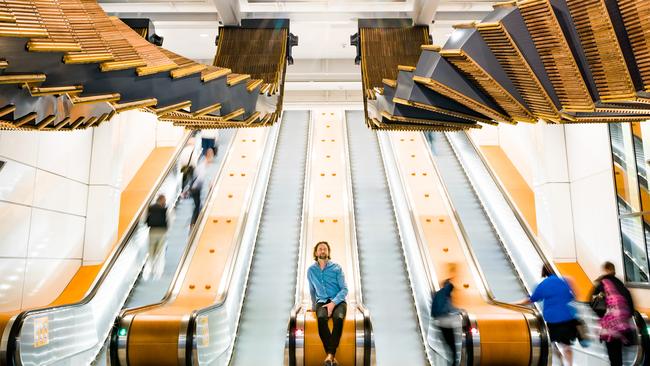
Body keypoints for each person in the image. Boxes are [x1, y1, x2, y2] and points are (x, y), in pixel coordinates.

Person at [520, 266, 578, 366]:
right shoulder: (564, 281)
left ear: (544, 272)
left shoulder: (544, 284)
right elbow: (573, 296)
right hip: (567, 318)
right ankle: (570, 364)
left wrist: (515, 303)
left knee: (549, 343)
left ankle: (558, 357)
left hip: (553, 320)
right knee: (567, 344)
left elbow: (531, 299)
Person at [307, 241, 348, 366]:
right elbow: (312, 290)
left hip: (338, 301)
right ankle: (331, 356)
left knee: (338, 319)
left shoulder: (336, 268)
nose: (322, 251)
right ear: (316, 252)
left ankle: (330, 355)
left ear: (328, 252)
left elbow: (344, 289)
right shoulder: (311, 270)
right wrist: (314, 307)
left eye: (325, 249)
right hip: (322, 301)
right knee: (321, 318)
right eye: (320, 249)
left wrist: (333, 303)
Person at [591, 262, 635, 366]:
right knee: (618, 355)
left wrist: (602, 316)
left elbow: (593, 303)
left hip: (610, 326)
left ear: (606, 270)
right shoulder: (621, 284)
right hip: (623, 326)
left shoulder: (602, 283)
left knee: (613, 355)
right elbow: (631, 307)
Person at [430, 263, 460, 366]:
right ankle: (454, 363)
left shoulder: (437, 294)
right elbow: (450, 287)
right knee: (453, 346)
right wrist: (451, 279)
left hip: (439, 322)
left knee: (448, 345)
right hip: (447, 322)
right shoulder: (446, 294)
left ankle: (451, 362)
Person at [145, 195, 168, 279]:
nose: (165, 202)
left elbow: (144, 219)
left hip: (152, 232)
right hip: (162, 232)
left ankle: (148, 271)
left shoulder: (150, 208)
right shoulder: (165, 209)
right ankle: (157, 272)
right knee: (160, 252)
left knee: (151, 252)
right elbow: (169, 220)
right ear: (162, 200)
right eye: (164, 200)